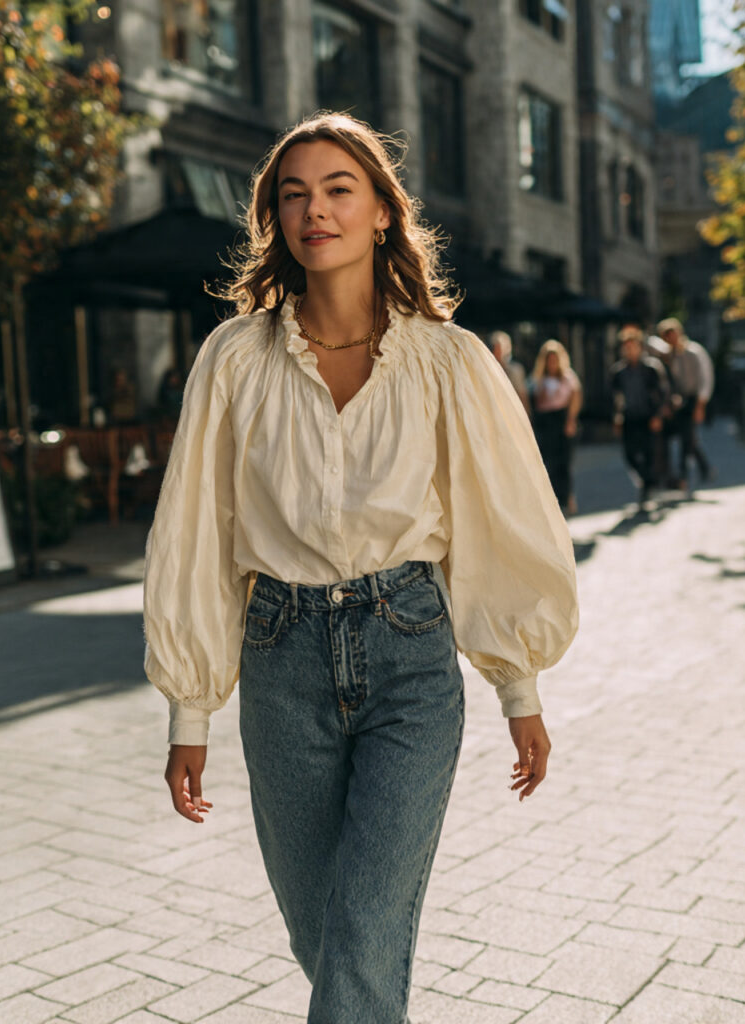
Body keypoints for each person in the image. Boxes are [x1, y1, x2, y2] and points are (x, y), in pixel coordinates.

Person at [143, 113, 579, 1024]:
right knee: (330, 938)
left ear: (383, 211)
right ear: (275, 220)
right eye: (293, 194)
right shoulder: (233, 359)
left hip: (410, 654)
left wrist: (520, 687)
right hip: (279, 656)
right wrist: (191, 707)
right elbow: (194, 528)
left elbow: (498, 522)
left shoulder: (450, 361)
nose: (316, 210)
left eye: (339, 188)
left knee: (367, 927)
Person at [610, 324, 669, 506]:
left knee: (649, 452)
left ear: (639, 347)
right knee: (629, 454)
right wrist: (617, 416)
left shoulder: (651, 368)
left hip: (648, 416)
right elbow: (615, 397)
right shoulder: (618, 372)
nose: (629, 350)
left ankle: (647, 488)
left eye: (632, 346)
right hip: (629, 416)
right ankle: (648, 481)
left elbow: (662, 393)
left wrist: (658, 415)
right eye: (626, 347)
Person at [657, 317, 715, 492]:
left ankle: (683, 477)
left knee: (687, 437)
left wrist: (701, 405)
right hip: (678, 402)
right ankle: (704, 468)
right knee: (687, 437)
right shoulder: (669, 357)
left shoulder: (695, 352)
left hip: (695, 399)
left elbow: (706, 379)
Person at [530, 339, 583, 515]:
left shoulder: (567, 377)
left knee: (564, 462)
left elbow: (575, 397)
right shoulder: (538, 379)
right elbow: (534, 402)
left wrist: (571, 420)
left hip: (562, 419)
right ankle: (553, 500)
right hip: (545, 421)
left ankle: (567, 497)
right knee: (548, 462)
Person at [489, 329, 531, 417]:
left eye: (500, 348)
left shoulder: (516, 370)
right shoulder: (487, 370)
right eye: (495, 348)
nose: (497, 352)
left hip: (513, 413)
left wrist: (526, 416)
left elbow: (522, 395)